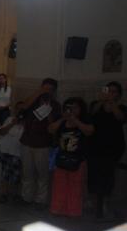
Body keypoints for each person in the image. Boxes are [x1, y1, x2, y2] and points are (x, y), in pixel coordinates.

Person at [19, 78, 61, 210]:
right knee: (27, 172)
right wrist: (38, 94)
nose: (46, 91)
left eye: (49, 89)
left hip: (43, 143)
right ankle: (26, 197)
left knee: (42, 174)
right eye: (44, 88)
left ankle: (40, 200)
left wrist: (47, 109)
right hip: (27, 140)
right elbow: (23, 107)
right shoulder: (34, 100)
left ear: (53, 91)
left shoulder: (55, 105)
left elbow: (53, 124)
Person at [48, 97, 93, 217]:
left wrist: (75, 120)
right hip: (62, 158)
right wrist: (64, 118)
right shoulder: (61, 120)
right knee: (59, 185)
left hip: (78, 159)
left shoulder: (85, 120)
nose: (71, 110)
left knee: (76, 186)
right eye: (68, 107)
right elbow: (51, 129)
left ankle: (73, 211)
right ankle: (57, 209)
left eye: (75, 107)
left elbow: (89, 131)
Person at [87, 82, 125, 219]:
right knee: (93, 176)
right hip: (95, 146)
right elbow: (92, 113)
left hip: (112, 148)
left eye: (114, 92)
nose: (111, 94)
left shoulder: (121, 107)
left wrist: (112, 102)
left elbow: (120, 117)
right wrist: (102, 100)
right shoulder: (96, 105)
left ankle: (105, 205)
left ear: (119, 95)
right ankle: (94, 203)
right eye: (109, 91)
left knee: (108, 177)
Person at [0, 102, 25, 203]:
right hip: (7, 151)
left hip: (18, 152)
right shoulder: (9, 119)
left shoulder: (27, 123)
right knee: (5, 173)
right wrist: (12, 123)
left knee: (16, 175)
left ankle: (15, 194)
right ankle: (4, 193)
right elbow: (0, 132)